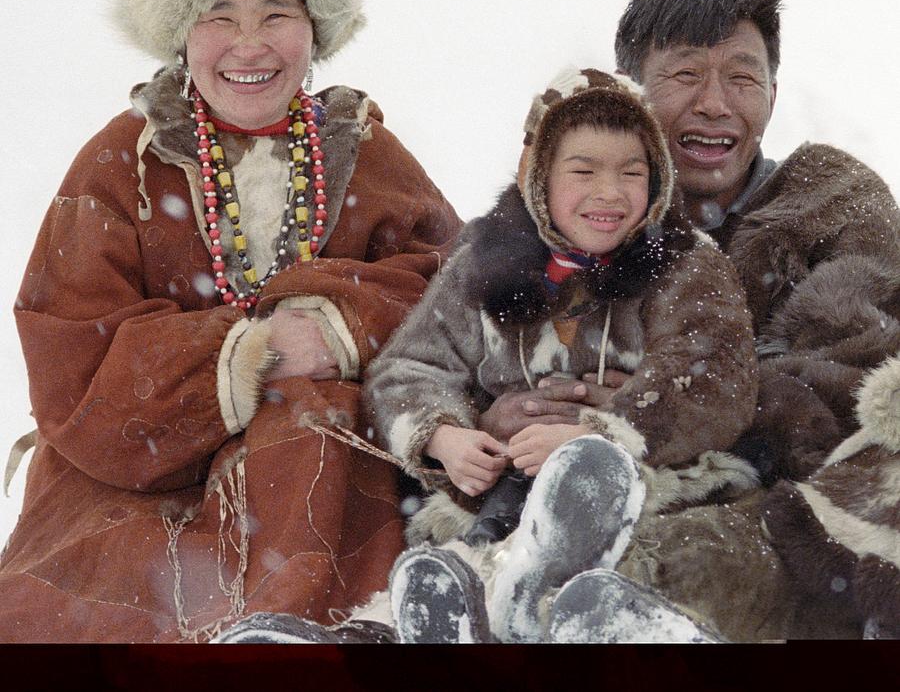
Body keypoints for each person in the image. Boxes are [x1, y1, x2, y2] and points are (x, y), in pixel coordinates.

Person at [0, 0, 460, 642]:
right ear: (182, 34)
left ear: (314, 34)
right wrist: (248, 355)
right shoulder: (121, 161)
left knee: (318, 440)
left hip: (329, 471)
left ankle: (300, 623)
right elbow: (72, 342)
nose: (250, 45)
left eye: (277, 14)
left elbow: (452, 287)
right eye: (221, 16)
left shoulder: (365, 149)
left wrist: (339, 325)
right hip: (144, 476)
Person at [216, 68, 758, 644]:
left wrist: (602, 434)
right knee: (461, 555)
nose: (610, 192)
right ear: (539, 180)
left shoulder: (686, 265)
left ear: (658, 181)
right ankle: (364, 638)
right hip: (502, 494)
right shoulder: (488, 261)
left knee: (620, 548)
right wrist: (442, 435)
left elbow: (715, 377)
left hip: (652, 486)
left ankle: (533, 599)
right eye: (583, 171)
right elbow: (408, 368)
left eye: (632, 172)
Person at [470, 0, 900, 640]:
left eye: (741, 76)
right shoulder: (580, 222)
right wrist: (498, 412)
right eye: (683, 75)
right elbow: (475, 343)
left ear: (774, 92)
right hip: (595, 485)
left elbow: (859, 375)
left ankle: (607, 614)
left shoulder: (835, 197)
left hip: (786, 507)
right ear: (633, 98)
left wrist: (673, 405)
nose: (713, 103)